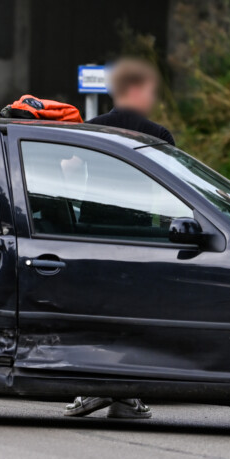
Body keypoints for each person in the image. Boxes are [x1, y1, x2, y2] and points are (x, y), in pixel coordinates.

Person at [64, 56, 171, 421]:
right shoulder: (158, 135)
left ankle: (90, 389)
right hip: (140, 236)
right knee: (135, 318)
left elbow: (67, 171)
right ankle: (127, 397)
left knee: (96, 314)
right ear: (137, 90)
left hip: (94, 232)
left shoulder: (93, 129)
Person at [87, 57, 175, 145]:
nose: (153, 99)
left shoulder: (86, 131)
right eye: (151, 92)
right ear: (135, 91)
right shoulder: (159, 136)